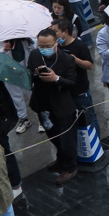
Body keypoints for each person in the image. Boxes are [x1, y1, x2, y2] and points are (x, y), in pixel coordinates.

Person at [27, 28, 78, 186]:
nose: (44, 49)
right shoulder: (35, 54)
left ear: (56, 43)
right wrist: (36, 74)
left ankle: (70, 167)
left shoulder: (67, 59)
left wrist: (56, 78)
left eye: (48, 45)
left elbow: (72, 83)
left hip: (62, 106)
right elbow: (29, 75)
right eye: (41, 45)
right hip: (42, 104)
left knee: (66, 139)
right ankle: (61, 159)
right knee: (52, 134)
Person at [50, 19, 99, 142]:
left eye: (56, 31)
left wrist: (74, 59)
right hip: (65, 91)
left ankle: (97, 143)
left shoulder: (79, 45)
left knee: (89, 117)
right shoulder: (56, 46)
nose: (53, 34)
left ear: (65, 32)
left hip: (80, 90)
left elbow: (90, 65)